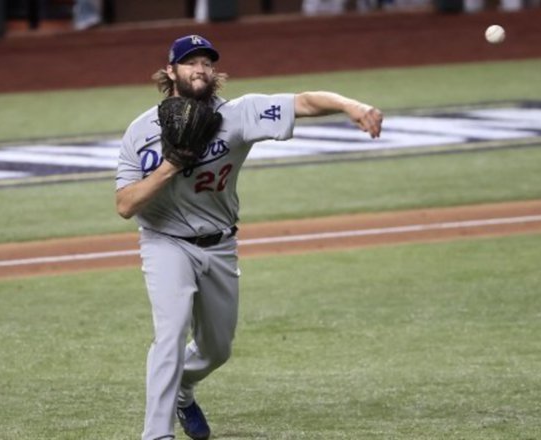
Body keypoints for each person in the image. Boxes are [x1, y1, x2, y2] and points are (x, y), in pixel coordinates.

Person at [115, 34, 383, 440]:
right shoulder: (140, 132)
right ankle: (157, 433)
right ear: (171, 71)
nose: (200, 69)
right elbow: (124, 204)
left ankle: (183, 389)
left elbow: (304, 101)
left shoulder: (237, 115)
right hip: (164, 241)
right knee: (170, 334)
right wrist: (170, 167)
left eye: (207, 63)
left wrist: (352, 106)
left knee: (217, 350)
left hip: (219, 244)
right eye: (190, 63)